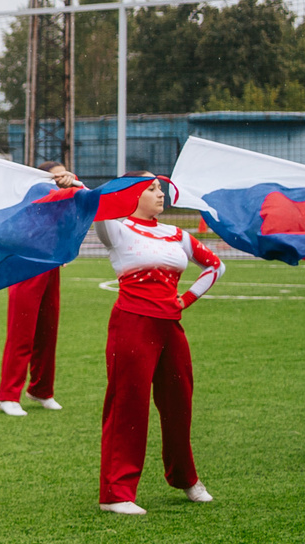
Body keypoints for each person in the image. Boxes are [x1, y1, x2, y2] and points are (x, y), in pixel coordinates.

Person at [95, 177, 223, 514]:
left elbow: (215, 266)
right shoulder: (117, 229)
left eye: (160, 188)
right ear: (133, 195)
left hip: (171, 326)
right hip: (131, 325)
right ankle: (116, 492)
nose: (160, 193)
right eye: (151, 189)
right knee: (128, 405)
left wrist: (186, 299)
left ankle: (186, 478)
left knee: (179, 404)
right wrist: (72, 181)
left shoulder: (176, 234)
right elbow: (98, 203)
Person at [0, 164, 84, 417]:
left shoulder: (64, 192)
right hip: (25, 266)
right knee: (21, 332)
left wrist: (74, 182)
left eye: (65, 172)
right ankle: (7, 396)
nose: (63, 176)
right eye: (57, 174)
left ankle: (41, 390)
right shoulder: (33, 193)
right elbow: (49, 198)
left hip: (50, 266)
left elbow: (86, 200)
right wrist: (66, 184)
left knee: (48, 330)